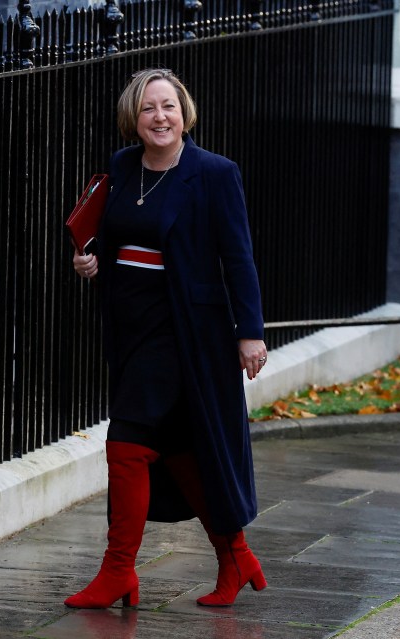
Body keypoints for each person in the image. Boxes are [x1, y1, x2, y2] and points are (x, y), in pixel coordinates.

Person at [67, 68, 268, 610]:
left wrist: (249, 333)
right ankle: (236, 557)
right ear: (135, 117)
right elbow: (111, 240)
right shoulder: (123, 167)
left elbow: (239, 259)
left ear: (185, 114)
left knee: (126, 444)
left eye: (170, 107)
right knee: (181, 451)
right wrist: (91, 263)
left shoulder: (214, 174)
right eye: (150, 108)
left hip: (186, 332)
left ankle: (117, 573)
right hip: (132, 326)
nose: (161, 117)